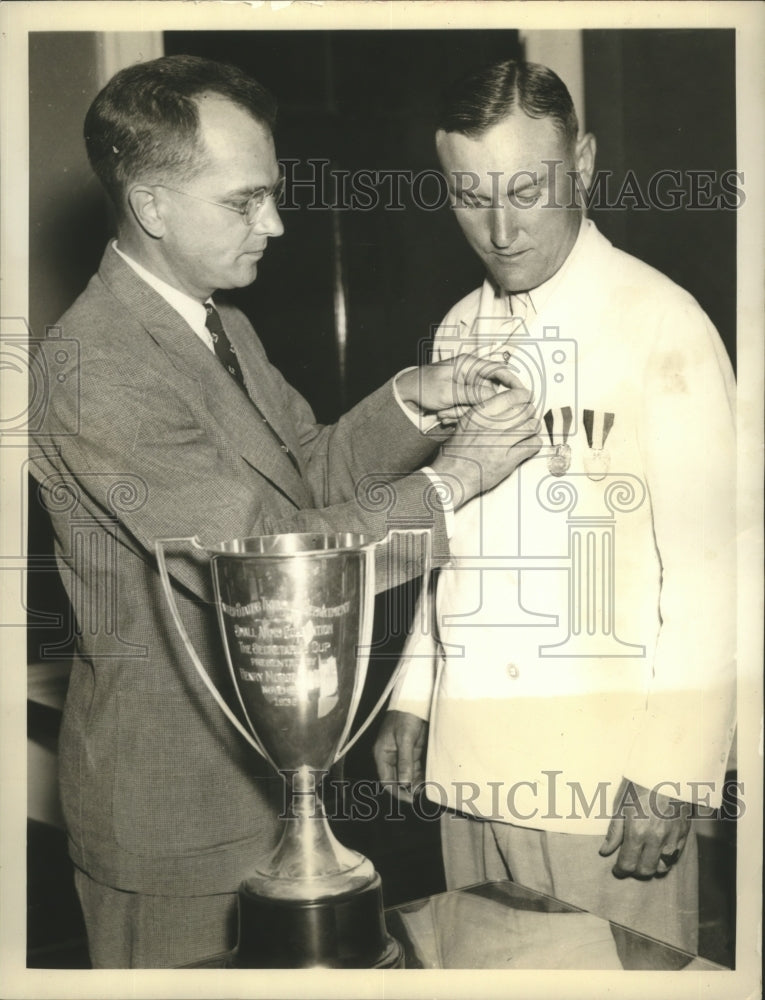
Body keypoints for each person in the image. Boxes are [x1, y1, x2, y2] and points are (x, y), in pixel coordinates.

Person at [30, 55, 542, 968]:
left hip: (268, 794)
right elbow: (261, 551)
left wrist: (416, 401)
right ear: (150, 206)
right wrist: (452, 479)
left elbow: (303, 470)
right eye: (243, 201)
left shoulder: (215, 321)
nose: (275, 222)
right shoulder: (91, 366)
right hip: (176, 822)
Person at [375, 58, 736, 960]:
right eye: (468, 195)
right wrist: (414, 696)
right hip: (468, 764)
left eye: (526, 189)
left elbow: (712, 574)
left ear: (581, 162)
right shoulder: (459, 330)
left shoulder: (663, 321)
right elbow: (453, 539)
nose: (499, 228)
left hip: (603, 784)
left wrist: (671, 772)